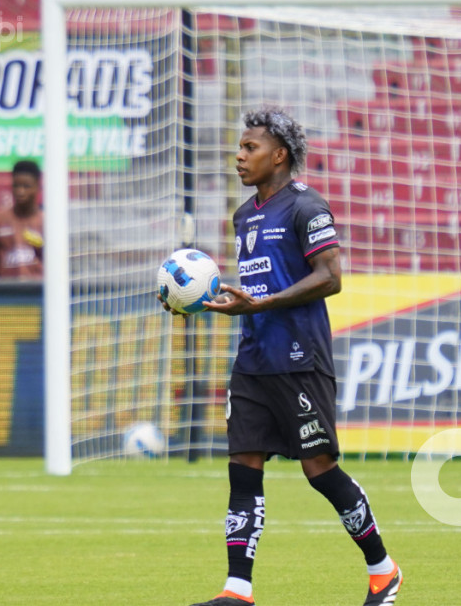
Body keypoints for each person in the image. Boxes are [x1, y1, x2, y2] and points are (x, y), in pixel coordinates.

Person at [159, 107, 402, 606]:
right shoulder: (244, 214)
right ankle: (238, 589)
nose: (239, 156)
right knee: (243, 466)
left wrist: (263, 302)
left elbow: (331, 277)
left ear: (279, 155)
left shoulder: (307, 208)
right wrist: (230, 304)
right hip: (252, 359)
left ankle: (383, 570)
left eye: (250, 148)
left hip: (299, 359)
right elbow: (257, 285)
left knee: (320, 470)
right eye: (240, 147)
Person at [0, 160, 44, 278]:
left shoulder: (47, 222)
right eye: (16, 186)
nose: (20, 192)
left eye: (26, 186)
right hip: (8, 291)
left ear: (37, 186)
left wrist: (42, 246)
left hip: (37, 291)